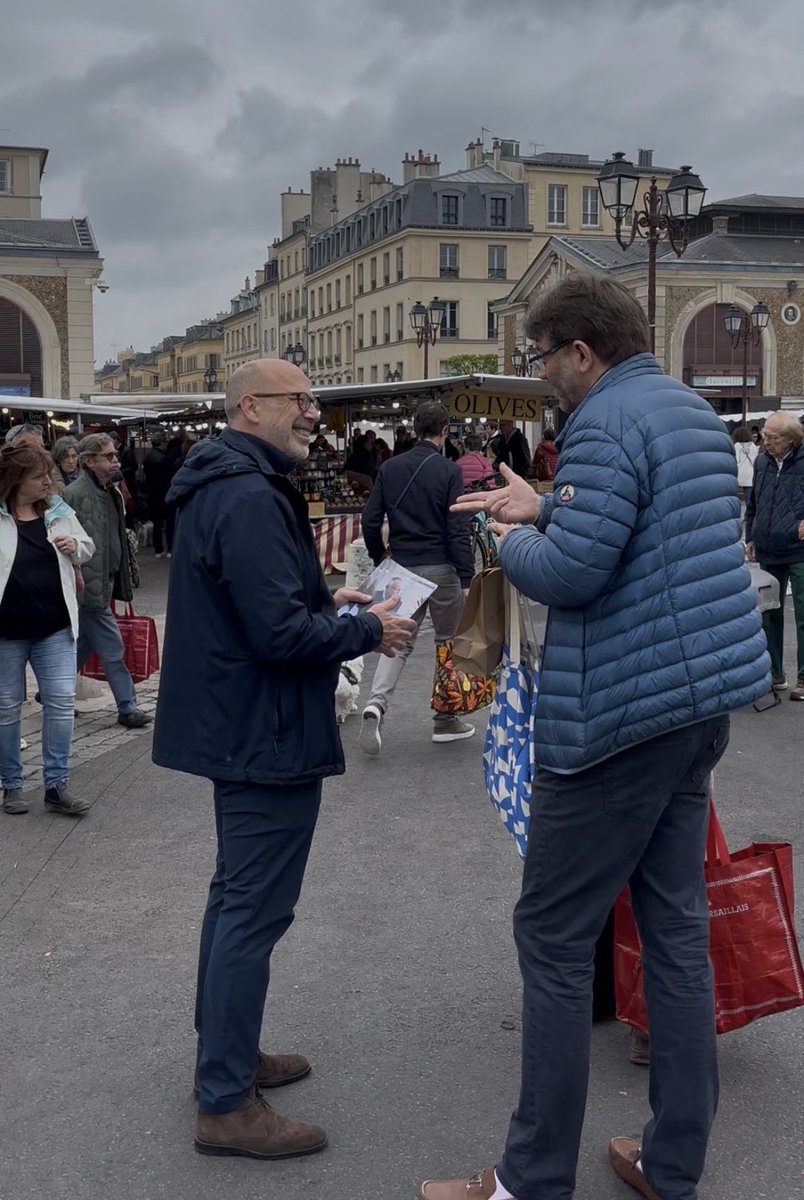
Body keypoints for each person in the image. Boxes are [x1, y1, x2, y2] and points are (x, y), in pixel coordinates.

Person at [421, 274, 769, 1200]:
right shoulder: (687, 410)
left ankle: (530, 1181)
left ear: (582, 351)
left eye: (544, 359)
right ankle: (671, 1163)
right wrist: (549, 502)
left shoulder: (606, 421)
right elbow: (641, 533)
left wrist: (508, 533)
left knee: (551, 933)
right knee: (675, 930)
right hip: (696, 704)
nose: (543, 379)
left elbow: (573, 572)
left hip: (619, 711)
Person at [151, 357, 415, 1160]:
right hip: (262, 730)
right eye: (299, 400)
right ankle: (227, 1097)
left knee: (234, 898)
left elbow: (260, 606)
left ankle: (223, 1058)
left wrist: (322, 596)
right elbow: (279, 638)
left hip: (239, 722)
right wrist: (372, 629)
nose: (313, 413)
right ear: (249, 405)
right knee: (251, 911)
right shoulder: (246, 492)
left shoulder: (225, 482)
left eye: (312, 400)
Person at [359, 400, 475, 755]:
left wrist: (382, 558)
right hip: (441, 568)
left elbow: (369, 520)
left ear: (412, 428)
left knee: (398, 642)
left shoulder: (390, 468)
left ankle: (376, 704)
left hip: (403, 568)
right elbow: (457, 528)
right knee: (448, 642)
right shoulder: (449, 471)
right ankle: (445, 719)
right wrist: (467, 576)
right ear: (444, 432)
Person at [0, 442, 94, 816]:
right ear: (15, 479)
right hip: (6, 631)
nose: (47, 482)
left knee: (60, 704)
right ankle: (11, 784)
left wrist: (75, 546)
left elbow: (86, 547)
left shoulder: (57, 510)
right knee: (6, 708)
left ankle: (57, 785)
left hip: (54, 627)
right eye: (39, 477)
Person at [63, 435, 151, 729]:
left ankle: (53, 692)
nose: (116, 460)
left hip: (104, 580)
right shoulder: (73, 494)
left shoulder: (111, 491)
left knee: (87, 643)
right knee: (113, 648)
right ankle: (127, 706)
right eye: (108, 456)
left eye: (115, 455)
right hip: (87, 585)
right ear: (89, 461)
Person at [745, 411, 804, 700]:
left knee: (803, 615)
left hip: (800, 549)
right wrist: (750, 536)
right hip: (768, 546)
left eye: (773, 437)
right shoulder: (762, 461)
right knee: (770, 613)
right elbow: (753, 501)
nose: (766, 442)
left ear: (791, 438)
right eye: (765, 436)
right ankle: (775, 673)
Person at [143, 431, 173, 558]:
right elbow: (168, 477)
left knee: (157, 523)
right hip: (164, 493)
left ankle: (158, 550)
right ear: (161, 442)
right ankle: (170, 549)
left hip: (152, 494)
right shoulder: (164, 458)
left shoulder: (147, 457)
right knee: (169, 523)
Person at [732, 425, 759, 504]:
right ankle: (749, 513)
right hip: (750, 473)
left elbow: (736, 460)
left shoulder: (737, 446)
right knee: (749, 498)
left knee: (734, 495)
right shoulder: (753, 446)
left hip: (739, 473)